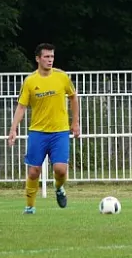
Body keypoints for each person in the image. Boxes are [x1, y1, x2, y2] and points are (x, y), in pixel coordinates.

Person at [8, 43, 80, 214]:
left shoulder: (62, 77)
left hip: (60, 132)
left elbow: (73, 97)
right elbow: (21, 107)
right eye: (46, 57)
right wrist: (13, 129)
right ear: (38, 59)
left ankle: (59, 188)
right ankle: (30, 207)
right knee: (33, 172)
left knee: (60, 170)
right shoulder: (30, 81)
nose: (50, 60)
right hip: (38, 133)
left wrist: (75, 122)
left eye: (52, 57)